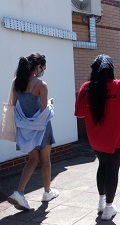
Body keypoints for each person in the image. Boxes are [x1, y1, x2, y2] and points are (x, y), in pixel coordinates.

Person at [74, 54, 120, 220]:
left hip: (95, 139)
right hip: (115, 139)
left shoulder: (86, 88)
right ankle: (108, 208)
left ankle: (102, 202)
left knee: (102, 165)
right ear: (111, 70)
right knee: (112, 170)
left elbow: (79, 115)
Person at [7, 53, 58, 211]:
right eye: (44, 67)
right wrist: (50, 103)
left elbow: (14, 106)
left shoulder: (17, 83)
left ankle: (19, 193)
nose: (44, 70)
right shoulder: (41, 85)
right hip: (42, 129)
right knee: (46, 161)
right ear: (38, 67)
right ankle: (47, 192)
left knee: (32, 160)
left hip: (26, 129)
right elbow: (44, 112)